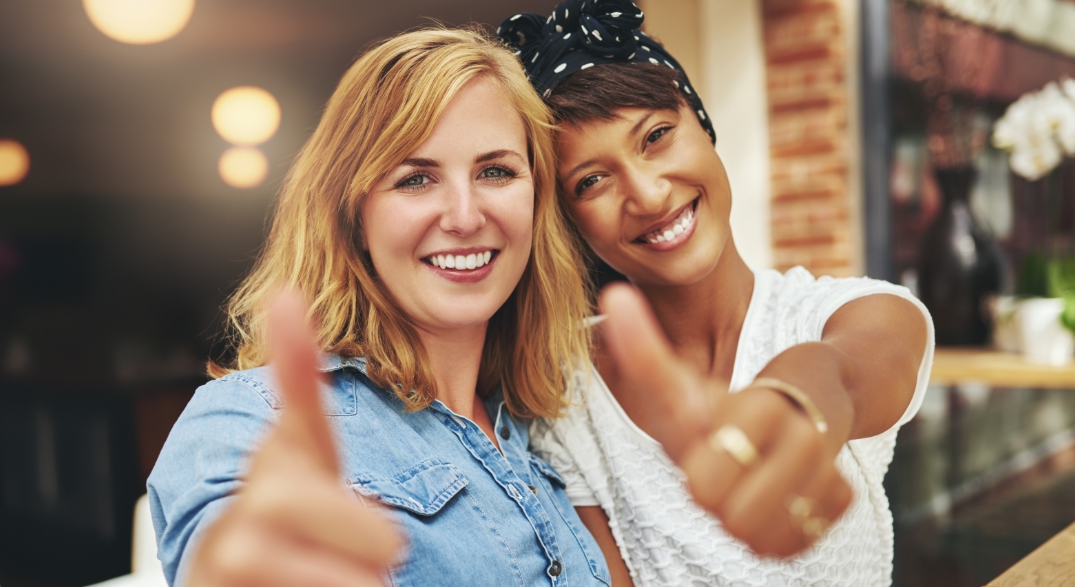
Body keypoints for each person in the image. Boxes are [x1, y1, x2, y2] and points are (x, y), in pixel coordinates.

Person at [146, 27, 615, 587]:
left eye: (496, 171)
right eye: (415, 179)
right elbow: (231, 541)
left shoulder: (547, 424)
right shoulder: (252, 418)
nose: (465, 216)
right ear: (355, 219)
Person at [497, 1, 935, 586]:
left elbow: (843, 371)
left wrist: (792, 406)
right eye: (592, 181)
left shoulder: (861, 311)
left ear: (703, 125)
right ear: (568, 220)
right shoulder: (561, 384)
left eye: (656, 136)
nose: (649, 195)